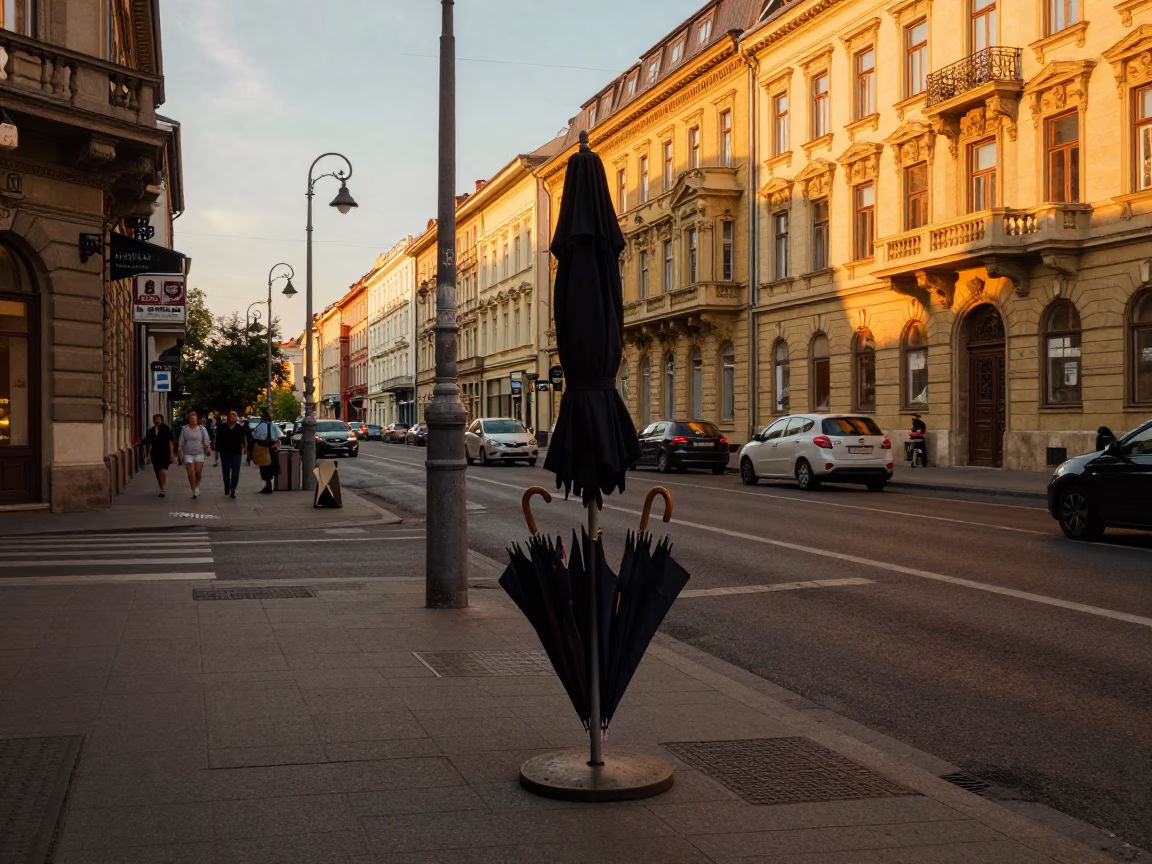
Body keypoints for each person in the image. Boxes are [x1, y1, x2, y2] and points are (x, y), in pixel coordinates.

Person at [176, 410, 211, 498]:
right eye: (191, 418)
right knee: (190, 473)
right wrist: (179, 454)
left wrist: (208, 449)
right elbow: (181, 443)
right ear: (189, 419)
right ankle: (194, 489)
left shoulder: (202, 429)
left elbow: (206, 441)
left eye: (194, 418)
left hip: (199, 453)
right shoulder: (184, 429)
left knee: (198, 473)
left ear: (197, 419)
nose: (192, 420)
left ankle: (196, 485)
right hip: (188, 454)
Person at [215, 410, 247, 498]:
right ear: (228, 418)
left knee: (235, 471)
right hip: (225, 452)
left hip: (236, 453)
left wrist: (244, 449)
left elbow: (242, 440)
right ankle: (227, 487)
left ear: (236, 419)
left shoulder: (240, 428)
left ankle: (233, 489)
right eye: (231, 417)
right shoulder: (222, 428)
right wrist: (217, 451)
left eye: (234, 417)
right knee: (225, 471)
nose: (233, 419)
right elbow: (218, 440)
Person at [250, 407, 282, 494]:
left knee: (265, 467)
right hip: (272, 448)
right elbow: (279, 435)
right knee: (271, 466)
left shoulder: (261, 426)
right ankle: (269, 485)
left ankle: (268, 486)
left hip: (264, 448)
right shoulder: (273, 425)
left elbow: (256, 436)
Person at [142, 413, 175, 497]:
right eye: (154, 418)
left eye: (157, 418)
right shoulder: (151, 430)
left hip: (165, 452)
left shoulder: (165, 428)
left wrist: (171, 454)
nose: (156, 420)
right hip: (155, 453)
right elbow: (147, 442)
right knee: (157, 472)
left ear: (161, 420)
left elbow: (170, 442)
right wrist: (148, 454)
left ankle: (163, 489)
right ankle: (162, 487)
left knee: (162, 469)